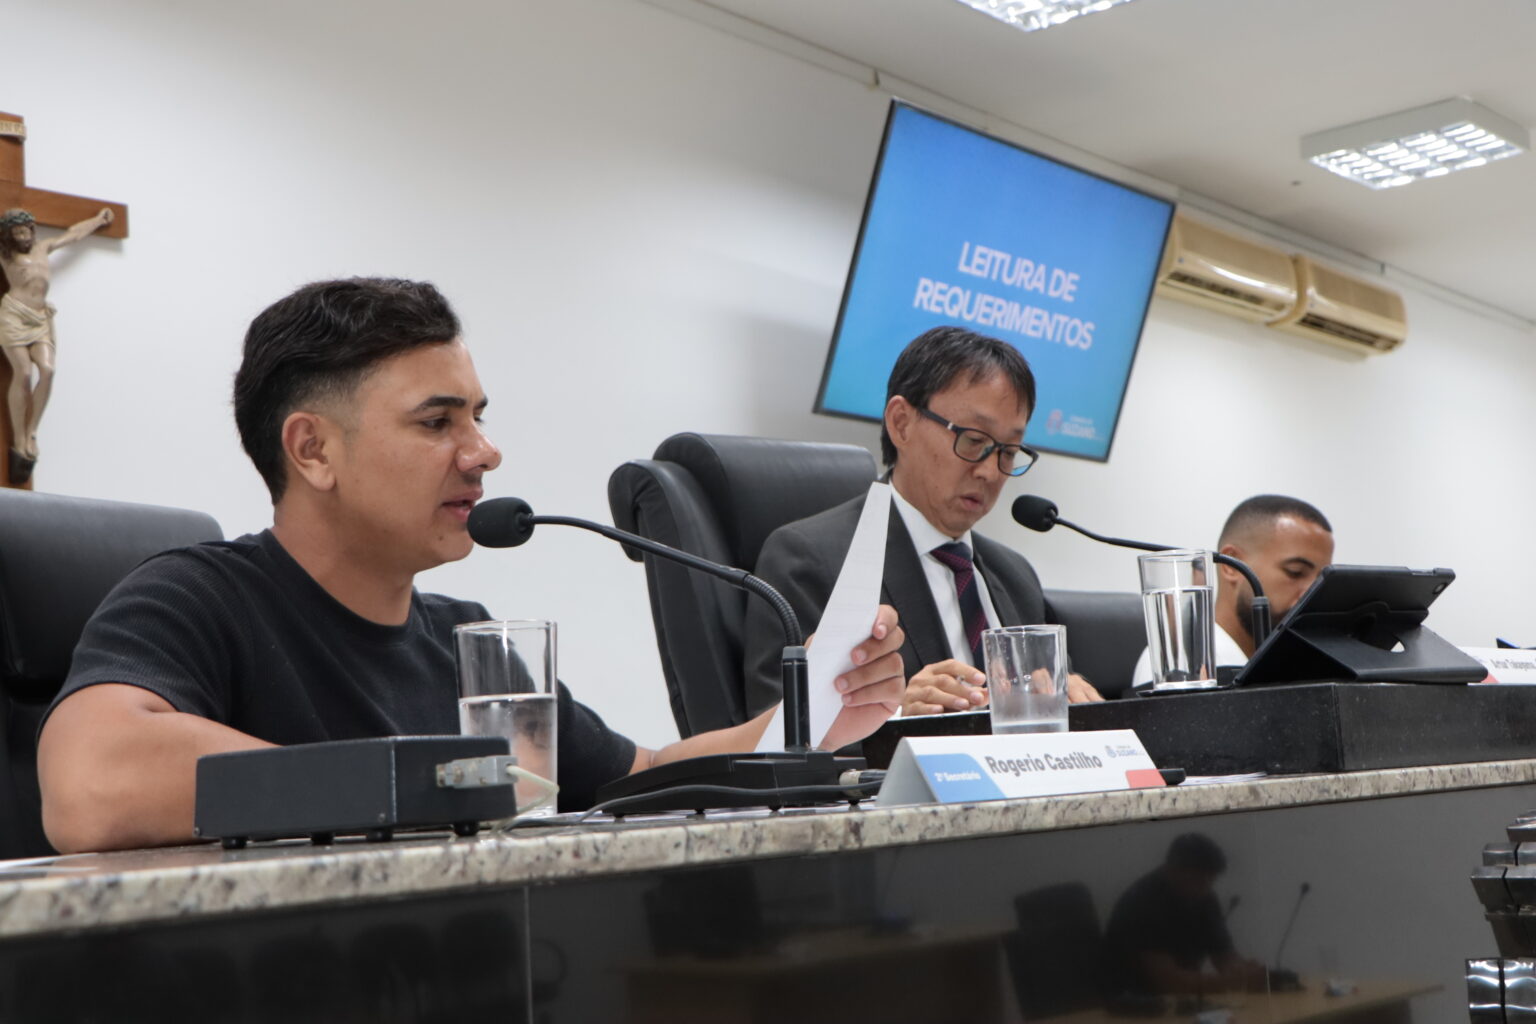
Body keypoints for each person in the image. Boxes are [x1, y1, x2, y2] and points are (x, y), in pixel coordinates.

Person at [36, 278, 906, 854]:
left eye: (478, 417)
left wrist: (809, 720)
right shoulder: (196, 596)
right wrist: (424, 787)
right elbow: (90, 783)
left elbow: (639, 778)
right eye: (437, 422)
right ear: (312, 450)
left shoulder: (468, 640)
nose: (484, 452)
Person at [744, 326, 1102, 721]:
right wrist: (896, 715)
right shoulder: (812, 560)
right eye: (973, 441)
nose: (990, 471)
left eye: (1008, 451)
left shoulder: (1015, 576)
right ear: (901, 423)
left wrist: (1064, 698)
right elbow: (777, 734)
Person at [1130, 494, 1334, 686]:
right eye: (1295, 572)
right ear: (1232, 565)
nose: (1311, 592)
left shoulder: (1296, 665)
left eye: (1320, 579)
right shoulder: (1181, 666)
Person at [0, 207, 115, 484]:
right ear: (9, 236)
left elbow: (73, 235)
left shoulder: (44, 248)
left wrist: (98, 220)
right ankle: (19, 439)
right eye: (17, 233)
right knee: (24, 373)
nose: (23, 236)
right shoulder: (6, 256)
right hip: (14, 315)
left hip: (40, 317)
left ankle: (32, 431)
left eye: (25, 231)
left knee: (48, 370)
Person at [1103, 832, 1267, 997]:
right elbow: (1169, 982)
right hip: (1133, 1001)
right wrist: (1232, 982)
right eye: (1198, 880)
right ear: (1172, 869)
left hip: (1182, 1001)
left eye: (1210, 880)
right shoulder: (1142, 902)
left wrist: (1240, 969)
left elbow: (1223, 955)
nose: (1205, 887)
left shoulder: (1205, 897)